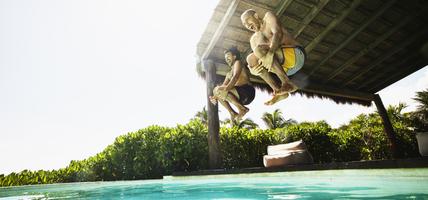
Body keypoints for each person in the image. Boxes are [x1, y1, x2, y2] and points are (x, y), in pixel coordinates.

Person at [241, 9, 306, 105]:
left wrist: (270, 53)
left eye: (247, 21)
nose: (247, 25)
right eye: (245, 25)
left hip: (296, 55)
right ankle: (278, 91)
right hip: (285, 69)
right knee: (250, 59)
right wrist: (253, 70)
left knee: (259, 49)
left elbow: (278, 33)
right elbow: (258, 60)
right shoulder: (253, 40)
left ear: (255, 15)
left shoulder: (268, 17)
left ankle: (287, 83)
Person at [209, 47, 255, 121]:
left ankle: (242, 109)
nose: (226, 59)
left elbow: (235, 76)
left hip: (247, 92)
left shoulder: (238, 63)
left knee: (219, 90)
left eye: (228, 56)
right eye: (225, 58)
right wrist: (215, 97)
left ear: (234, 56)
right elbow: (222, 87)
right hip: (240, 98)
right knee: (216, 90)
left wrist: (225, 89)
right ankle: (232, 113)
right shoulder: (228, 73)